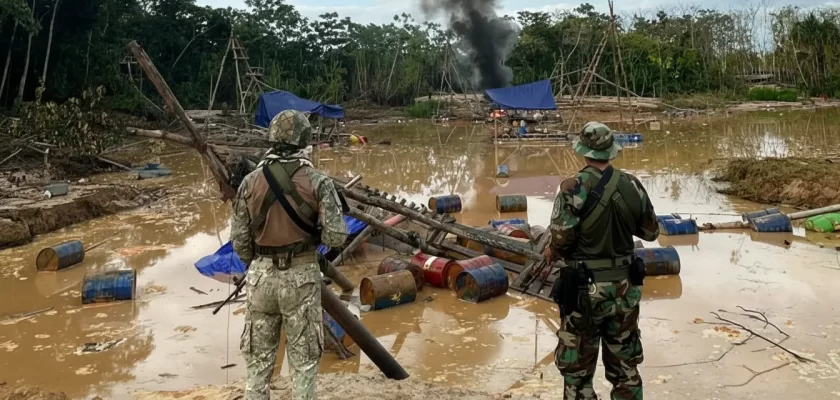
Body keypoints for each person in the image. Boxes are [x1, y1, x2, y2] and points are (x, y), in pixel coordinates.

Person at [230, 110, 348, 400]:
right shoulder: (319, 182)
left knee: (258, 365)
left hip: (260, 278)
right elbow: (336, 236)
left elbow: (240, 241)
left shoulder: (249, 182)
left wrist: (258, 264)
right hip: (301, 278)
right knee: (304, 364)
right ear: (305, 140)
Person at [546, 122, 659, 400]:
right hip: (624, 289)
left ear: (582, 151)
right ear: (611, 151)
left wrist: (553, 250)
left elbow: (561, 241)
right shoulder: (632, 184)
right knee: (625, 367)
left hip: (583, 292)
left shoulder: (573, 187)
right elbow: (651, 232)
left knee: (577, 372)